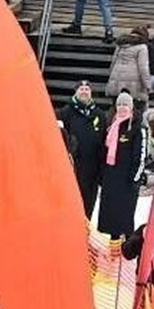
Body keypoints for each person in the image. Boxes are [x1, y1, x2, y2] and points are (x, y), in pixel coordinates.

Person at [98, 91, 144, 238]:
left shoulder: (137, 128)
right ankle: (113, 242)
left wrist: (134, 178)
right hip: (111, 177)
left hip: (127, 180)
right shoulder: (112, 126)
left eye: (125, 104)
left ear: (131, 107)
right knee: (111, 215)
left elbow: (140, 155)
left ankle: (128, 243)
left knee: (125, 216)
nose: (122, 107)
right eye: (119, 104)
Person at [58, 80, 106, 216]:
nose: (84, 91)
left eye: (87, 89)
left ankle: (86, 225)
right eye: (81, 89)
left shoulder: (99, 114)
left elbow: (104, 140)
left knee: (88, 202)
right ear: (76, 92)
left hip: (92, 167)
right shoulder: (65, 113)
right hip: (73, 166)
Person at [108, 27, 151, 103]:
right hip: (133, 86)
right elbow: (143, 68)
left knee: (117, 106)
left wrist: (112, 79)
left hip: (116, 82)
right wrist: (148, 85)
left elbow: (113, 63)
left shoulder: (120, 45)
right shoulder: (142, 47)